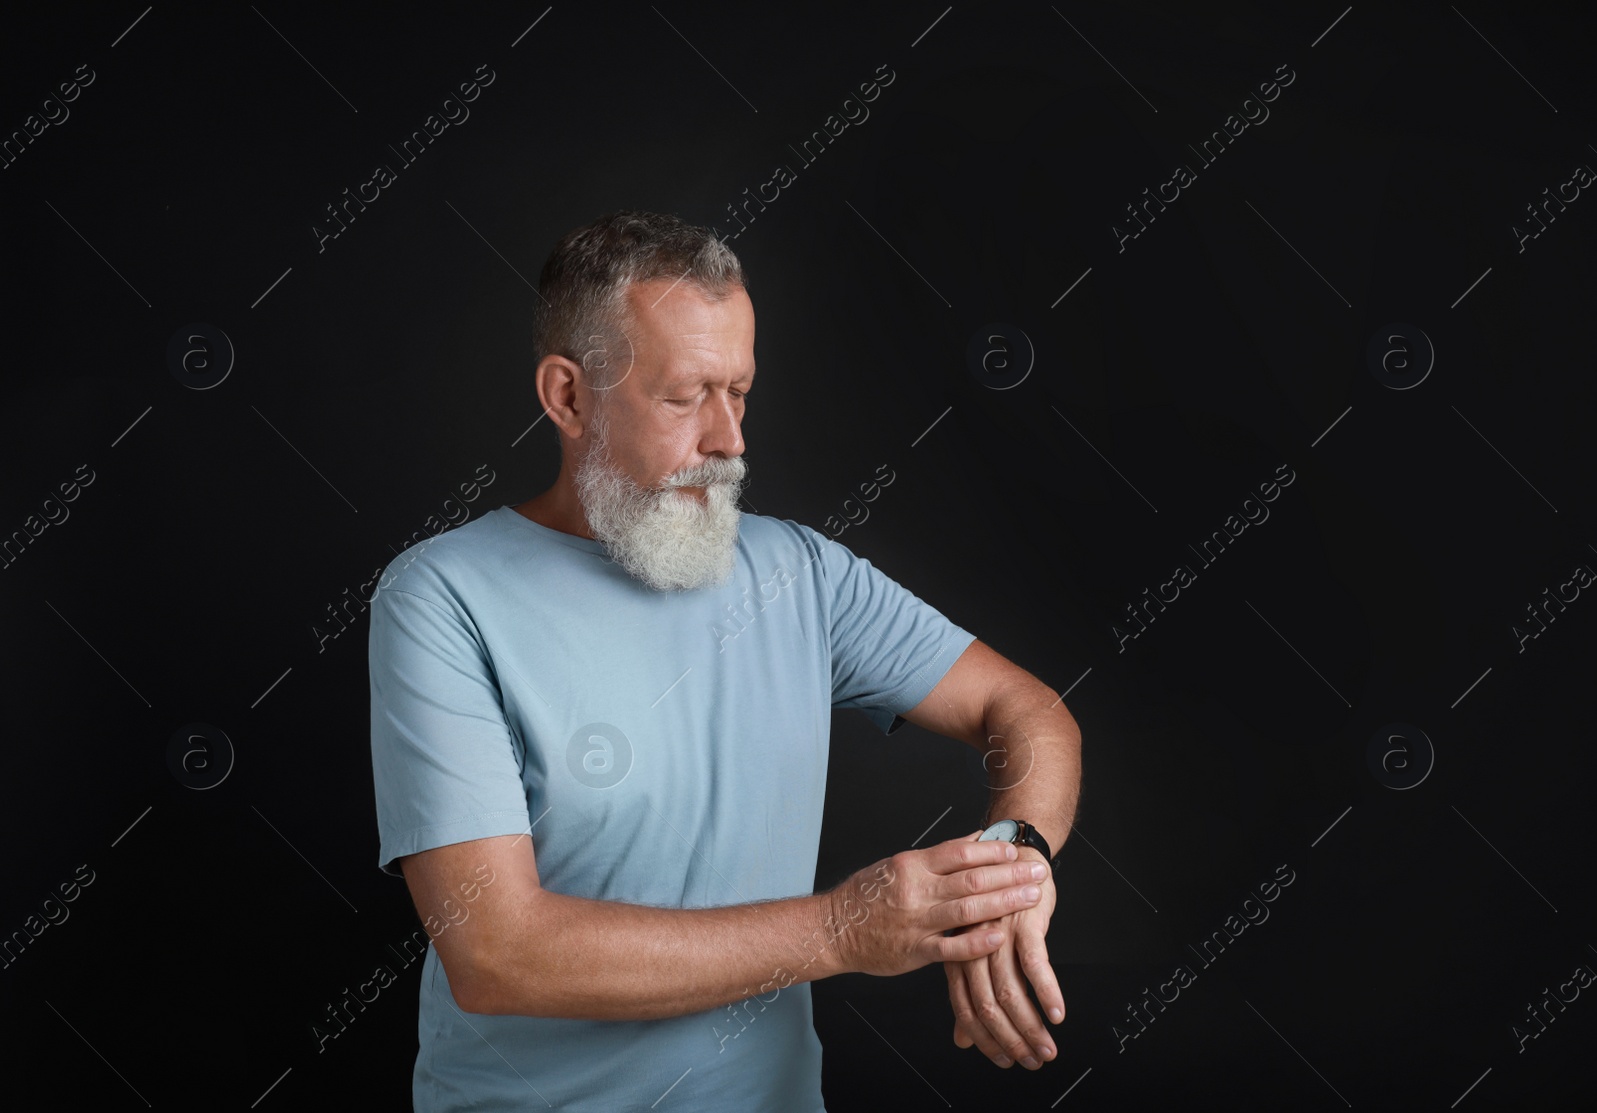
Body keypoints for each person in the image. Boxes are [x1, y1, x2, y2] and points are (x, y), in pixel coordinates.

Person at [368, 210, 1083, 1111]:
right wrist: (840, 928)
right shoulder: (439, 597)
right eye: (684, 397)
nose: (730, 439)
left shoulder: (803, 573)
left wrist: (1017, 860)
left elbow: (1028, 711)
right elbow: (497, 955)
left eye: (738, 392)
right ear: (568, 395)